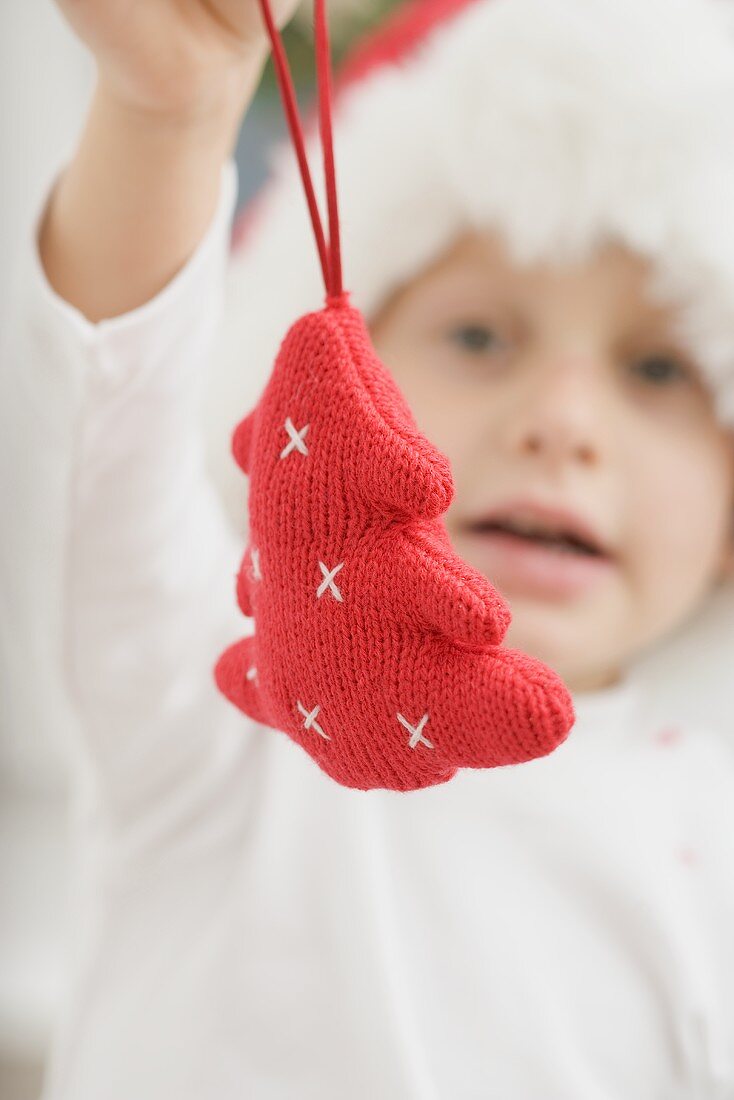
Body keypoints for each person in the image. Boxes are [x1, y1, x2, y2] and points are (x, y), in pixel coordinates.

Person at [3, 0, 734, 1094]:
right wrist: (167, 117)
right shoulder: (219, 700)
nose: (561, 419)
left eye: (657, 370)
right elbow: (106, 423)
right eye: (479, 334)